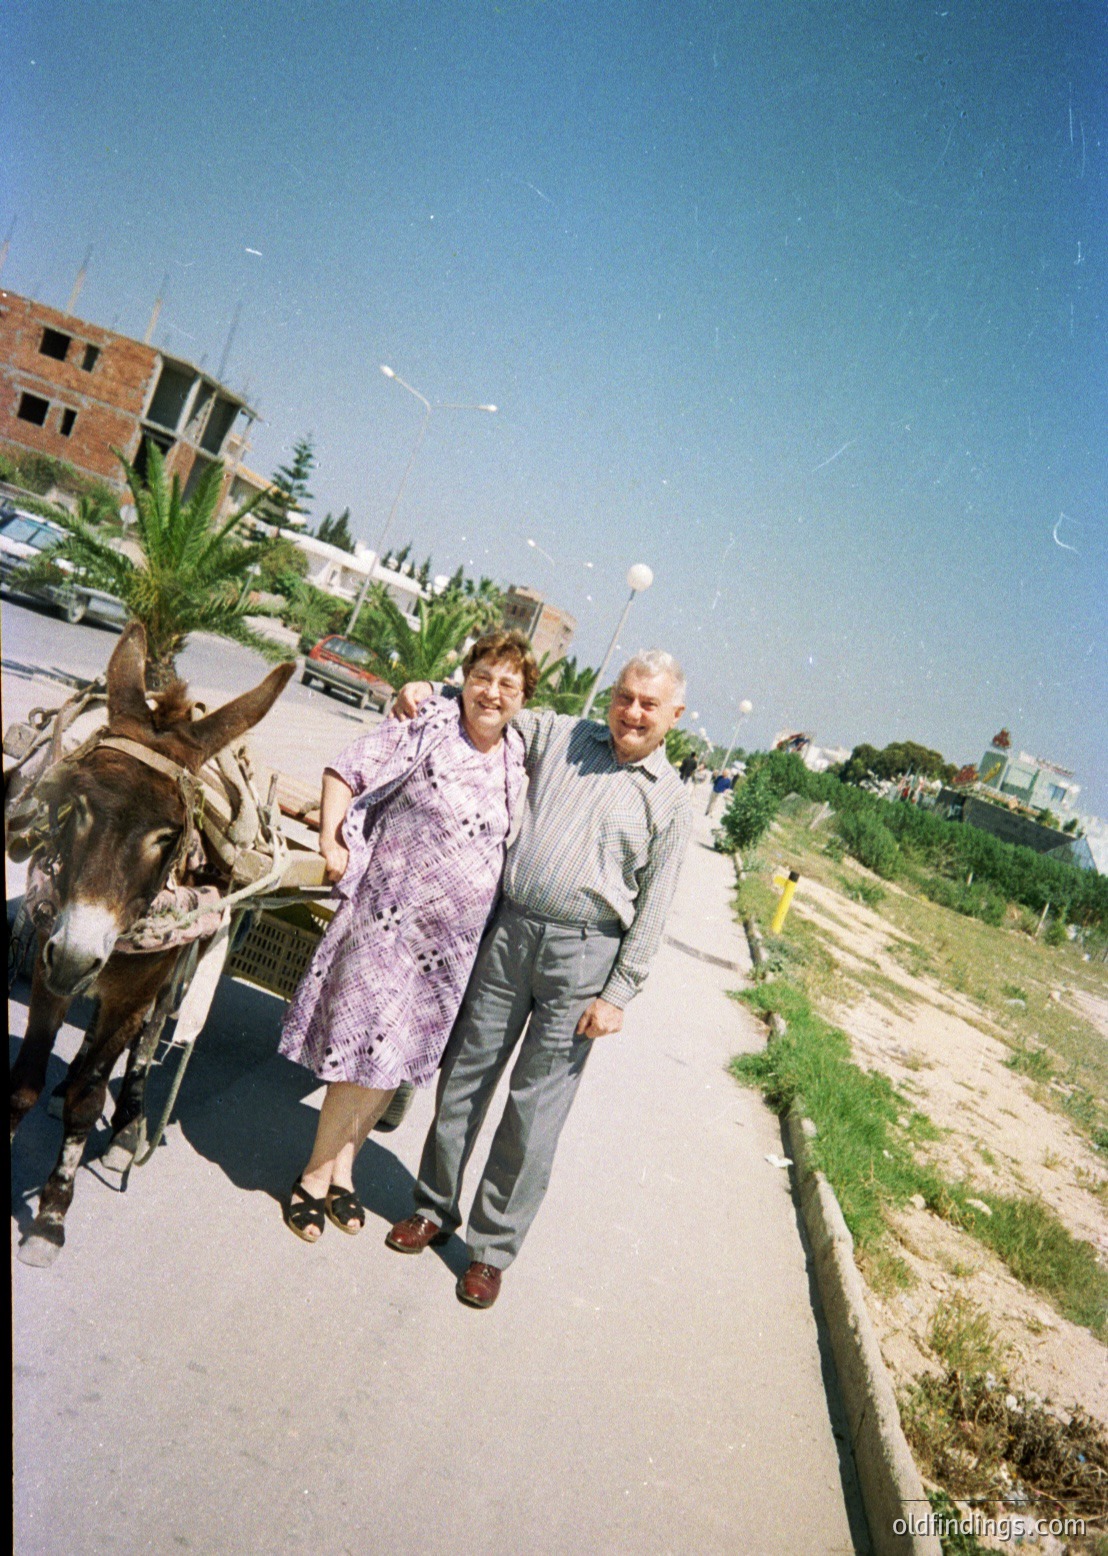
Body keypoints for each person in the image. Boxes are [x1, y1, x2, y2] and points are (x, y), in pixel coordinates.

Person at [386, 651, 693, 1308]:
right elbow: (496, 705)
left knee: (534, 1111)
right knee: (465, 1077)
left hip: (584, 960)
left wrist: (619, 993)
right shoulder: (564, 736)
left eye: (648, 704)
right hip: (510, 931)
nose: (632, 712)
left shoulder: (671, 800)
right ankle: (434, 1208)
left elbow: (657, 906)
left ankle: (492, 1251)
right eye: (625, 696)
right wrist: (432, 689)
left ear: (674, 716)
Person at [277, 630, 535, 1242]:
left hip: (448, 949)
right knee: (363, 1052)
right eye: (482, 676)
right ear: (463, 677)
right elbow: (348, 766)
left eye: (507, 684)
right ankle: (312, 1178)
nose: (491, 692)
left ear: (524, 698)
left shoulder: (519, 757)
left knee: (392, 1062)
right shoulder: (429, 724)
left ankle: (343, 1169)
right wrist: (331, 837)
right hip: (385, 924)